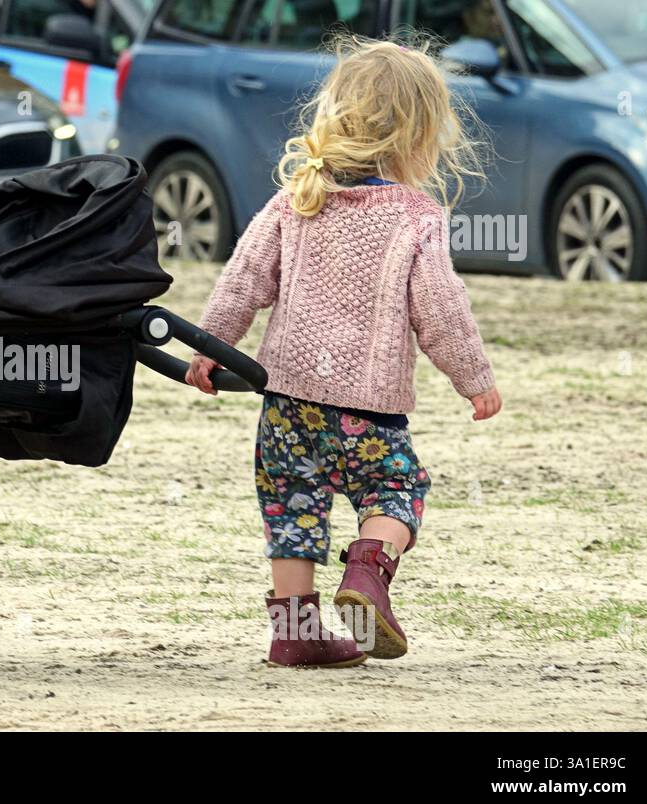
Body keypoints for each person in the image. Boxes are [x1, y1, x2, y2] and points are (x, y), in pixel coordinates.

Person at [186, 35, 502, 668]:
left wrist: (210, 347)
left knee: (290, 504)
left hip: (286, 401)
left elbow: (243, 279)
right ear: (422, 133)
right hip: (368, 409)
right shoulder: (416, 216)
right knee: (397, 487)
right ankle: (366, 570)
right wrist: (474, 379)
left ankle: (295, 632)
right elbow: (441, 310)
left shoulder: (297, 198)